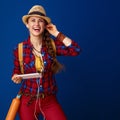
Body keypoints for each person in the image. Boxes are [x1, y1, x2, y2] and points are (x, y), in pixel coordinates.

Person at [11, 5, 81, 120]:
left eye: (40, 21)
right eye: (33, 20)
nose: (36, 24)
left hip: (49, 101)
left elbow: (75, 50)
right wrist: (16, 77)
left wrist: (57, 33)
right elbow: (16, 71)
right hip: (27, 102)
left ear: (45, 25)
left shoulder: (52, 46)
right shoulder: (19, 49)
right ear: (27, 24)